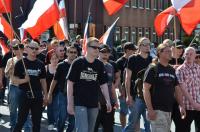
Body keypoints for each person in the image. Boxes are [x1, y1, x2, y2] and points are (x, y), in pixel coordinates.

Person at [67, 37, 112, 132]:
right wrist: (70, 103)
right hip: (79, 102)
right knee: (82, 130)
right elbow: (70, 83)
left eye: (98, 48)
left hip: (94, 103)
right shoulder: (78, 62)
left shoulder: (99, 64)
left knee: (90, 130)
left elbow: (103, 84)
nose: (97, 50)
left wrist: (108, 101)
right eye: (94, 47)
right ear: (87, 48)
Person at [143, 43, 186, 132]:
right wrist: (150, 110)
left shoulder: (171, 69)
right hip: (157, 110)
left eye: (171, 51)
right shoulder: (153, 69)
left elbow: (177, 89)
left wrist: (181, 105)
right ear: (160, 53)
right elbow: (145, 89)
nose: (171, 53)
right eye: (167, 51)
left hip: (169, 109)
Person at [13, 41, 48, 132]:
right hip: (24, 94)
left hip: (37, 94)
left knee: (37, 122)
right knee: (21, 120)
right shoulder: (20, 63)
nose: (34, 50)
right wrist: (24, 80)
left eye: (36, 48)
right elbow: (14, 80)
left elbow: (43, 81)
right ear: (27, 49)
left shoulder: (40, 64)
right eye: (32, 48)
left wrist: (46, 95)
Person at [124, 37, 152, 132]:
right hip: (136, 97)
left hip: (149, 97)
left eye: (149, 44)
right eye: (145, 44)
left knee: (149, 126)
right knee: (132, 124)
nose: (148, 46)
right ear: (139, 46)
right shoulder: (133, 58)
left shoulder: (152, 59)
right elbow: (127, 78)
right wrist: (128, 95)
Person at [48, 45, 77, 132]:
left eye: (74, 52)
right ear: (67, 53)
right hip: (63, 94)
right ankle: (59, 130)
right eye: (70, 52)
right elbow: (54, 80)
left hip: (75, 95)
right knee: (62, 116)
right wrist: (49, 93)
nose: (72, 54)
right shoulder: (61, 65)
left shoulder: (79, 64)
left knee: (73, 118)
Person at [5, 44, 32, 132]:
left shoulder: (27, 60)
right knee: (13, 109)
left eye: (18, 48)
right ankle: (13, 127)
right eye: (15, 49)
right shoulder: (10, 60)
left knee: (25, 109)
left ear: (22, 49)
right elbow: (6, 74)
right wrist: (10, 67)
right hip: (13, 86)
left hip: (24, 87)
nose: (16, 50)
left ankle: (27, 128)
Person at [94, 44, 118, 132]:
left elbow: (111, 84)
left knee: (109, 128)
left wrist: (115, 100)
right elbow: (92, 85)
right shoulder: (94, 65)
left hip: (109, 103)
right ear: (98, 53)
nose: (105, 54)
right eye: (103, 52)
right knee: (94, 127)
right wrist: (96, 100)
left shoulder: (110, 67)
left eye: (107, 52)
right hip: (96, 103)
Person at [176, 47, 200, 132]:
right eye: (187, 54)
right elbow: (182, 90)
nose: (189, 56)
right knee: (183, 130)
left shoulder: (198, 68)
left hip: (199, 106)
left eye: (191, 54)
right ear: (183, 55)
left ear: (195, 56)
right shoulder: (180, 70)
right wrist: (183, 105)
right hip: (187, 107)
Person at [116, 42, 137, 129]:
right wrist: (121, 91)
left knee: (134, 112)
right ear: (127, 50)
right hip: (123, 90)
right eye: (133, 50)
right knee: (123, 111)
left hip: (133, 90)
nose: (135, 51)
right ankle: (123, 128)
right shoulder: (120, 62)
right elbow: (118, 78)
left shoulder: (135, 60)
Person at [45, 53, 59, 130]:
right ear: (50, 60)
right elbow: (42, 80)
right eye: (52, 59)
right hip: (48, 91)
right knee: (50, 107)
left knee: (56, 107)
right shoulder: (46, 68)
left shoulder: (60, 67)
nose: (54, 60)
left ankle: (55, 123)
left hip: (57, 91)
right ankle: (51, 123)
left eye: (56, 58)